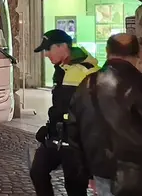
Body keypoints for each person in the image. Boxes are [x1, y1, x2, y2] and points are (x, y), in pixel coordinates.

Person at [68, 33, 142, 196]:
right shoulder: (140, 84)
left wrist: (87, 172)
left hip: (100, 171)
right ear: (138, 54)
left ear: (107, 51)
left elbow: (74, 133)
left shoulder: (86, 84)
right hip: (138, 175)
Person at [30, 29, 98, 196]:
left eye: (48, 49)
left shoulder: (86, 71)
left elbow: (88, 112)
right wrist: (50, 127)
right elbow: (60, 106)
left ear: (62, 46)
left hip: (75, 142)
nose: (46, 54)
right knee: (38, 171)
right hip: (56, 136)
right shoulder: (61, 68)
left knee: (75, 187)